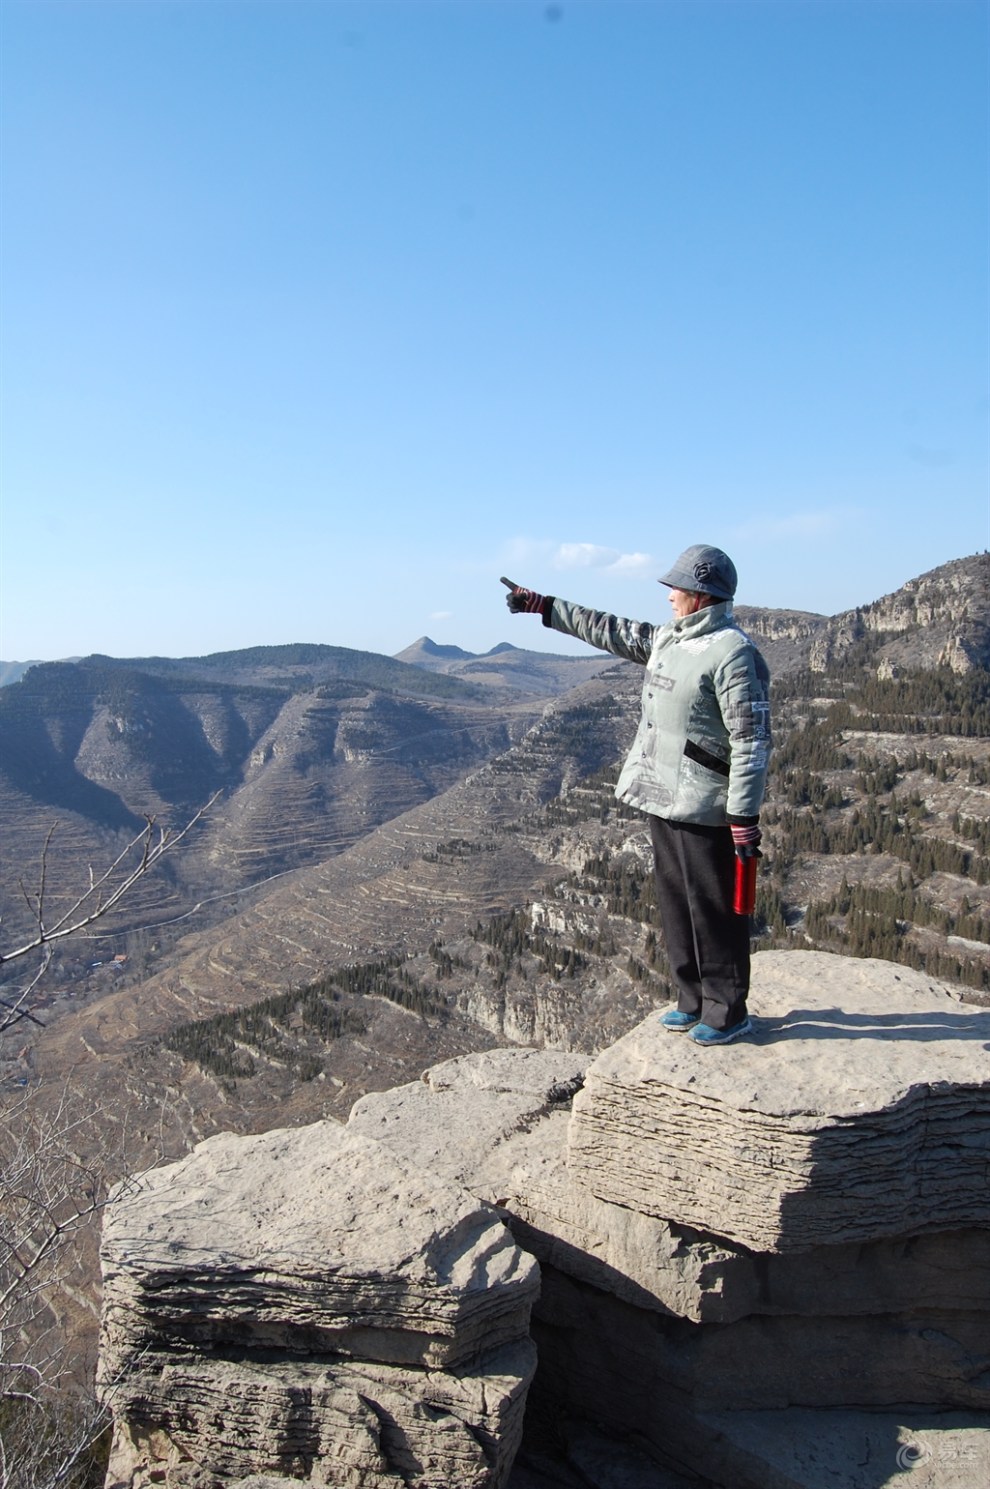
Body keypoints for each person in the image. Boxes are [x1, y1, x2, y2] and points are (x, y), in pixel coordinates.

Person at [503, 544, 771, 1046]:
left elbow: (752, 738)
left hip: (707, 804)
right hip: (661, 793)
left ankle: (728, 1010)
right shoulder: (672, 639)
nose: (669, 595)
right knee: (676, 901)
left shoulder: (734, 653)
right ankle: (691, 998)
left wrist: (743, 812)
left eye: (677, 588)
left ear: (701, 593)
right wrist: (545, 606)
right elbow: (610, 629)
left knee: (713, 908)